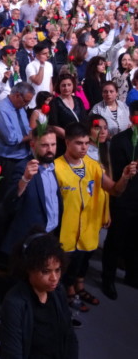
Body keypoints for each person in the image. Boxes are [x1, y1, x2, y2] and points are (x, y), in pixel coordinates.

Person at [54, 122, 136, 310]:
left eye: (86, 143)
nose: (84, 148)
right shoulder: (56, 168)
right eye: (78, 143)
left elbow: (114, 191)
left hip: (87, 232)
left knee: (79, 267)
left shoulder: (94, 166)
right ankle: (63, 301)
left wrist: (124, 177)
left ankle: (73, 292)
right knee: (60, 275)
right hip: (64, 235)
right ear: (67, 142)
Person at [1, 230, 78, 359]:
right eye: (46, 271)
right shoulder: (14, 302)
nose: (54, 278)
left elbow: (70, 337)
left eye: (57, 270)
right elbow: (13, 354)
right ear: (28, 268)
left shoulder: (58, 291)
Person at [0, 127, 62, 257]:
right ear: (32, 145)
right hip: (28, 241)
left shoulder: (55, 167)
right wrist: (25, 179)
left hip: (50, 234)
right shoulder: (23, 168)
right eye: (44, 145)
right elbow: (9, 202)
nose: (50, 150)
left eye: (53, 144)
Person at [102, 101, 138, 299]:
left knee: (135, 240)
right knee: (116, 241)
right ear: (133, 117)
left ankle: (132, 275)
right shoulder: (120, 141)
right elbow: (115, 172)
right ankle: (108, 279)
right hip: (124, 198)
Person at [0, 82, 35, 192]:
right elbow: (11, 139)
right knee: (4, 195)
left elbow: (25, 128)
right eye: (25, 101)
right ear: (17, 95)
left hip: (23, 156)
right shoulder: (1, 110)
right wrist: (31, 136)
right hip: (7, 161)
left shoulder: (20, 107)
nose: (26, 104)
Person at [49, 72, 89, 156]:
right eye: (63, 85)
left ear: (73, 85)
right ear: (59, 87)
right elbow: (54, 126)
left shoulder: (78, 100)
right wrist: (71, 139)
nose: (66, 88)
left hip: (81, 140)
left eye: (69, 85)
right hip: (64, 143)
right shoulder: (54, 103)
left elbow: (84, 119)